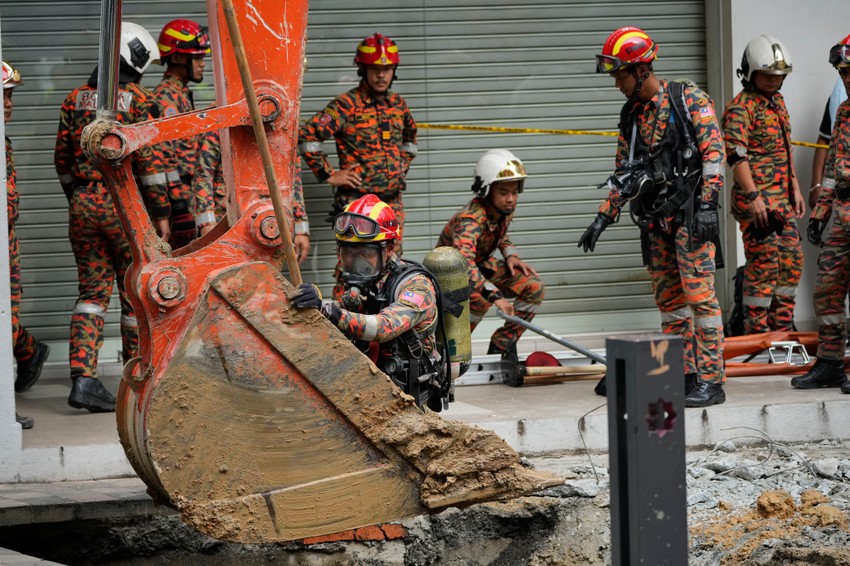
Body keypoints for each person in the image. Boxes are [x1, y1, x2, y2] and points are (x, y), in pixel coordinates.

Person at [577, 27, 726, 407]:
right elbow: (623, 174)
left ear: (641, 70)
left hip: (691, 216)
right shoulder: (631, 115)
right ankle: (684, 373)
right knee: (671, 305)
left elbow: (713, 154)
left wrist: (709, 205)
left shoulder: (686, 99)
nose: (617, 84)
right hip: (656, 222)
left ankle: (712, 381)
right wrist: (603, 217)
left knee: (701, 300)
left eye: (620, 76)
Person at [54, 22, 173, 412]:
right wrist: (161, 213)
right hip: (124, 205)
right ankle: (135, 377)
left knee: (91, 296)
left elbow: (62, 161)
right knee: (133, 292)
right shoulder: (139, 100)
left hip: (83, 205)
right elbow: (151, 166)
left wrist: (81, 198)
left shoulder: (74, 99)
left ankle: (83, 379)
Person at [157, 19, 310, 260]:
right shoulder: (216, 113)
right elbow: (198, 169)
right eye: (197, 58)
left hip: (265, 219)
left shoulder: (281, 120)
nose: (202, 64)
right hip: (221, 218)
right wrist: (203, 220)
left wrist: (300, 226)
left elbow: (293, 173)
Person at [290, 194, 448, 410]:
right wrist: (312, 303)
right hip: (370, 394)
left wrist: (326, 309)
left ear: (389, 249)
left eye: (366, 252)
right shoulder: (367, 283)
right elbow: (341, 317)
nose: (356, 261)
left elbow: (383, 327)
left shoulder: (416, 286)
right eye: (348, 253)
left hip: (412, 401)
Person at [298, 33, 417, 298]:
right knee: (353, 268)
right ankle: (342, 320)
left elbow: (410, 140)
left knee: (391, 264)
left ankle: (384, 317)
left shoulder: (398, 105)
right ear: (363, 69)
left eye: (387, 69)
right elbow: (307, 136)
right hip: (357, 204)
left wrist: (401, 167)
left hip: (391, 203)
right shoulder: (346, 105)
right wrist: (329, 174)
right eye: (374, 69)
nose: (381, 75)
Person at [722, 35, 806, 335]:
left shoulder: (777, 103)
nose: (774, 80)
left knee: (792, 261)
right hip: (757, 202)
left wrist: (795, 187)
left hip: (781, 200)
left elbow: (784, 148)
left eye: (779, 75)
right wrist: (754, 196)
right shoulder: (741, 108)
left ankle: (781, 329)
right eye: (768, 74)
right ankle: (756, 332)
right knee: (765, 264)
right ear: (750, 72)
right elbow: (736, 156)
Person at [436, 149, 543, 364]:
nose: (511, 199)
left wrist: (511, 255)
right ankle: (446, 352)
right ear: (487, 190)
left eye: (515, 192)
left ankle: (501, 345)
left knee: (534, 287)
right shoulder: (470, 220)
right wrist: (495, 295)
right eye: (503, 192)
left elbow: (499, 234)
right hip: (450, 275)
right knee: (479, 301)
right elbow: (463, 263)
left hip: (480, 265)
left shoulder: (502, 209)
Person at [792, 36, 850, 391]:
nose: (846, 78)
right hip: (842, 214)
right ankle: (830, 363)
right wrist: (820, 213)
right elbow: (833, 168)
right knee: (827, 290)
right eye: (841, 72)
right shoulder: (844, 112)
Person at [4, 61, 49, 429]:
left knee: (8, 319)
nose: (8, 104)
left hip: (7, 245)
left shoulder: (3, 140)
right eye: (2, 96)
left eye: (10, 96)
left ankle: (5, 408)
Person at [810, 39, 850, 208]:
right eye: (843, 72)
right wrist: (817, 186)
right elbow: (826, 143)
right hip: (843, 210)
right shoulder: (842, 108)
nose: (847, 79)